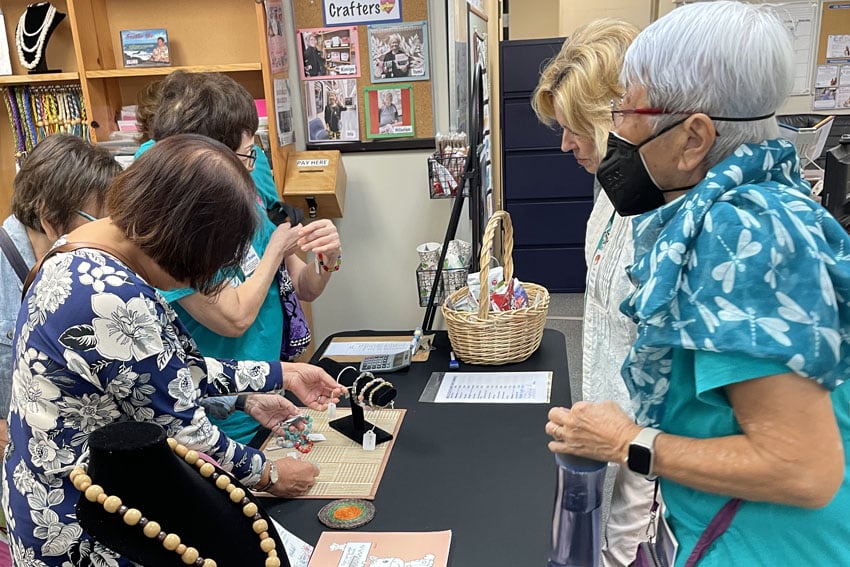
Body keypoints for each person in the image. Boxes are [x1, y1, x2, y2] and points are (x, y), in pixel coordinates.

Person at [545, 2, 850, 565]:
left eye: (625, 111)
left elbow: (804, 468)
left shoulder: (743, 233)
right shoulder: (751, 207)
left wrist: (625, 443)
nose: (613, 133)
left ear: (693, 138)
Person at [2, 135, 345, 566]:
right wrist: (272, 474)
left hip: (61, 499)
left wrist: (281, 373)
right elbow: (185, 427)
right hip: (81, 525)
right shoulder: (110, 296)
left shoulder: (79, 248)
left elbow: (168, 368)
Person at [141, 71, 342, 450]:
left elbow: (303, 287)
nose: (253, 166)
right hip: (217, 426)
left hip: (265, 406)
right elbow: (233, 317)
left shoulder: (247, 204)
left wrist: (327, 258)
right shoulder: (171, 233)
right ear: (210, 159)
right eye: (249, 155)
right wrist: (275, 252)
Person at [531, 19, 650, 567]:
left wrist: (632, 446)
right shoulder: (608, 193)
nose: (564, 144)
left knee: (628, 553)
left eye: (575, 127)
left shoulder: (667, 214)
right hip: (603, 437)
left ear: (615, 117)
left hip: (648, 457)